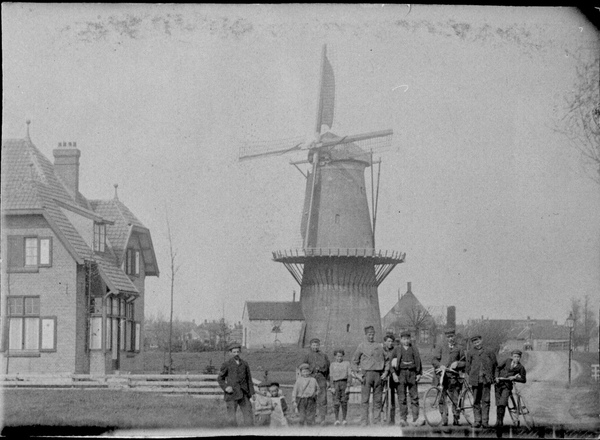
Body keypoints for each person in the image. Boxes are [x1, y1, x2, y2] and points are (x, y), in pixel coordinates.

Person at [352, 325, 389, 426]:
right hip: (366, 375)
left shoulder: (379, 346)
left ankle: (376, 421)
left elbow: (387, 360)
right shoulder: (361, 346)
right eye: (369, 334)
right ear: (365, 335)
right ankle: (364, 421)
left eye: (372, 334)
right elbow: (354, 361)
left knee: (378, 400)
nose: (371, 336)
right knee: (365, 400)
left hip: (378, 375)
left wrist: (385, 372)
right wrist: (357, 374)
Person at [431, 328, 466, 426]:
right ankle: (444, 417)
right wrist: (440, 365)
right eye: (448, 337)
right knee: (442, 397)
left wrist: (457, 363)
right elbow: (434, 360)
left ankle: (456, 417)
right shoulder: (440, 346)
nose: (450, 339)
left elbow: (465, 362)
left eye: (452, 336)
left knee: (455, 397)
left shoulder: (459, 348)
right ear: (445, 337)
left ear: (455, 337)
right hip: (441, 376)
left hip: (453, 377)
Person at [217, 341, 255, 427]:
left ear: (240, 352)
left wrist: (252, 393)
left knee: (248, 415)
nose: (236, 354)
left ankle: (250, 431)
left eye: (238, 352)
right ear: (230, 353)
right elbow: (220, 378)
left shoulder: (245, 364)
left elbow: (249, 379)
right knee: (231, 418)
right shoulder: (226, 364)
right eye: (234, 352)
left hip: (244, 393)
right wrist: (226, 387)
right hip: (232, 394)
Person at [391, 330, 423, 427]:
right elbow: (391, 364)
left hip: (412, 374)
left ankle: (415, 418)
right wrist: (394, 374)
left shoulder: (414, 349)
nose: (406, 341)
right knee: (402, 397)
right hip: (401, 374)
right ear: (401, 340)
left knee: (414, 397)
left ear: (410, 339)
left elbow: (418, 361)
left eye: (407, 339)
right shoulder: (397, 349)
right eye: (404, 339)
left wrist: (419, 374)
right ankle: (403, 419)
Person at [465, 335, 497, 428]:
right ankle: (477, 421)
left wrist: (493, 376)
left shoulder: (489, 351)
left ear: (481, 340)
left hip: (486, 380)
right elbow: (468, 366)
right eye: (474, 343)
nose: (476, 344)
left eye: (478, 341)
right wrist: (469, 375)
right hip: (475, 380)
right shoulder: (470, 352)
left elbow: (495, 364)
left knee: (486, 400)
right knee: (476, 401)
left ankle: (485, 421)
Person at [494, 349, 527, 428]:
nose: (516, 358)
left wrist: (514, 378)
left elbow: (523, 379)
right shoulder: (507, 361)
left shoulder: (521, 367)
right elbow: (498, 368)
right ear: (512, 357)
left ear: (520, 358)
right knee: (498, 404)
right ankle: (498, 421)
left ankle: (500, 422)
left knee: (502, 403)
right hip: (498, 384)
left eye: (518, 357)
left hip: (507, 386)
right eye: (515, 356)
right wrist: (496, 377)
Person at [302, 338, 330, 425]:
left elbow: (328, 369)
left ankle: (322, 419)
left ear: (319, 345)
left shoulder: (323, 355)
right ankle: (311, 418)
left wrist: (328, 380)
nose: (315, 347)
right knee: (311, 398)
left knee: (322, 398)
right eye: (313, 345)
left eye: (317, 345)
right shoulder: (307, 355)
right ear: (310, 346)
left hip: (321, 377)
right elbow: (303, 368)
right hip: (311, 378)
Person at [328, 348, 353, 426]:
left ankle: (344, 419)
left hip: (344, 383)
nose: (339, 358)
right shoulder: (332, 364)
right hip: (335, 384)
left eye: (341, 356)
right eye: (338, 356)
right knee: (336, 402)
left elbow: (349, 375)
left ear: (343, 356)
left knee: (344, 401)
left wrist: (348, 386)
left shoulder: (347, 363)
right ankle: (336, 419)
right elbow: (331, 376)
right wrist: (332, 387)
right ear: (335, 356)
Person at [383, 333, 398, 425]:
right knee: (384, 396)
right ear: (385, 342)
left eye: (392, 341)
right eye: (388, 341)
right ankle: (384, 415)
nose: (390, 343)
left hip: (393, 374)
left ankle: (392, 418)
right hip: (384, 375)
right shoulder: (382, 350)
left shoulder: (395, 350)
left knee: (392, 397)